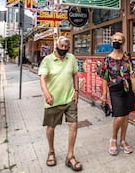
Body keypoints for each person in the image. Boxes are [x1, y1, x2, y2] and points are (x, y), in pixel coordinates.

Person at [38, 36, 82, 171]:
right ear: (56, 45)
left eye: (66, 47)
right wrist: (46, 94)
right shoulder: (47, 60)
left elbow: (75, 74)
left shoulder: (71, 58)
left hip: (69, 99)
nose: (64, 49)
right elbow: (42, 78)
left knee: (73, 125)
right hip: (53, 100)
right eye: (61, 46)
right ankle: (51, 152)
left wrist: (76, 90)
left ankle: (70, 156)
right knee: (51, 126)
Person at [97, 32, 135, 156]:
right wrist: (104, 94)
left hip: (128, 88)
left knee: (126, 116)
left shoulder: (127, 56)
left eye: (120, 40)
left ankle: (123, 140)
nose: (117, 42)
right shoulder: (107, 59)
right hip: (115, 89)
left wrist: (134, 81)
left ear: (123, 42)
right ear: (112, 41)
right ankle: (113, 139)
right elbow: (104, 78)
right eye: (115, 40)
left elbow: (131, 70)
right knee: (119, 116)